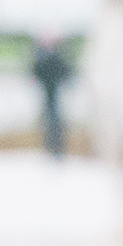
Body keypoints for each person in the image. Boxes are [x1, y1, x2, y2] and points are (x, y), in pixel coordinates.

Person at [29, 31, 79, 162]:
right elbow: (35, 71)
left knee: (56, 121)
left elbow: (67, 70)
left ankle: (57, 149)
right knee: (49, 121)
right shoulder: (42, 54)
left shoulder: (57, 54)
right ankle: (50, 148)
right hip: (47, 92)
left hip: (57, 92)